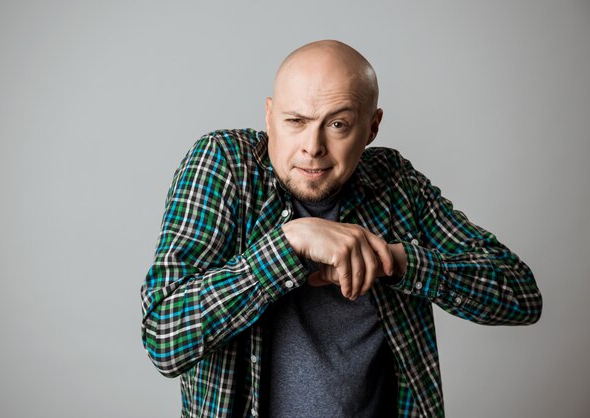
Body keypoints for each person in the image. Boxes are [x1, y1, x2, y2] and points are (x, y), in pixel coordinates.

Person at [140, 40, 542, 417]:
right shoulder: (224, 165)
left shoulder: (395, 183)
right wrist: (289, 244)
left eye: (337, 125)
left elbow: (520, 295)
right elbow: (165, 335)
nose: (312, 146)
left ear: (372, 128)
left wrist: (396, 261)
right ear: (268, 115)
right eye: (295, 121)